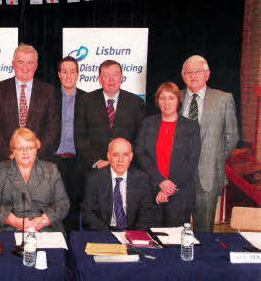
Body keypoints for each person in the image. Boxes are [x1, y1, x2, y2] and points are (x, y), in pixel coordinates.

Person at [180, 55, 239, 232]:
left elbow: (232, 136)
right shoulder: (174, 97)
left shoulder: (224, 99)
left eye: (198, 71)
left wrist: (213, 158)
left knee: (204, 230)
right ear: (183, 76)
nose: (193, 75)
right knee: (175, 228)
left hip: (208, 175)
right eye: (188, 72)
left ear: (207, 74)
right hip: (177, 174)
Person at [135, 82, 201, 227]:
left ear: (178, 100)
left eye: (171, 98)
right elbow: (140, 154)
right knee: (150, 240)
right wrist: (161, 182)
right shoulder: (148, 124)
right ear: (157, 101)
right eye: (162, 98)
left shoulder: (191, 127)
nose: (167, 103)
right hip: (151, 190)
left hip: (180, 193)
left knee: (174, 242)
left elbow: (191, 162)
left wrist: (168, 188)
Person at [0, 127, 70, 234]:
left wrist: (43, 220)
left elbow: (63, 204)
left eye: (30, 148)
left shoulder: (51, 170)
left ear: (37, 148)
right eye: (20, 148)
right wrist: (12, 220)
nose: (25, 152)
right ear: (12, 150)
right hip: (6, 228)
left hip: (44, 229)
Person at [0, 44, 60, 162]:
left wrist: (33, 153)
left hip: (38, 160)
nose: (25, 67)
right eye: (21, 62)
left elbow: (52, 128)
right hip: (7, 160)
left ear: (36, 66)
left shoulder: (48, 91)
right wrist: (10, 153)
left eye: (30, 63)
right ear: (13, 64)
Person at [74, 60, 145, 170]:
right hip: (94, 168)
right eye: (106, 75)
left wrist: (124, 161)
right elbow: (79, 136)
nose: (111, 80)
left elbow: (141, 137)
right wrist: (97, 161)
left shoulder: (136, 102)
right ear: (99, 79)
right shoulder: (85, 101)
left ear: (121, 77)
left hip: (127, 168)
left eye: (115, 75)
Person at [81, 138, 159, 231]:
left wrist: (134, 234)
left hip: (132, 231)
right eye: (115, 155)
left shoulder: (142, 179)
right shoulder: (94, 179)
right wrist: (109, 234)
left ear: (131, 156)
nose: (120, 160)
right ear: (108, 156)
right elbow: (88, 213)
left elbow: (147, 211)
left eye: (125, 155)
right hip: (104, 231)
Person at [52, 56, 86, 232]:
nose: (68, 75)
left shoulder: (88, 99)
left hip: (78, 162)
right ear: (59, 74)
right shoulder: (49, 96)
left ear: (78, 74)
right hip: (52, 161)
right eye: (64, 71)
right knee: (51, 207)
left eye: (72, 71)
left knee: (73, 209)